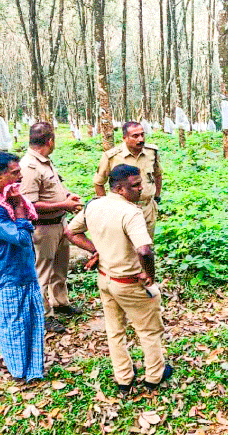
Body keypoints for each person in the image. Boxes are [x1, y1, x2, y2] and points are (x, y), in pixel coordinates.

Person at [66, 164, 173, 393]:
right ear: (120, 189)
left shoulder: (94, 204)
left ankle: (123, 378)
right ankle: (154, 376)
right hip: (130, 282)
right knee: (149, 330)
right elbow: (144, 250)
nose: (141, 189)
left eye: (141, 184)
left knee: (115, 330)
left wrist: (95, 250)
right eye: (135, 186)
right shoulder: (131, 212)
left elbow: (71, 232)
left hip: (106, 280)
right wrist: (149, 275)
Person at [0, 152, 44, 383]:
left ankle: (33, 368)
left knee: (32, 318)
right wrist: (18, 207)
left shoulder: (3, 199)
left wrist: (17, 205)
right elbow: (22, 237)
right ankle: (18, 370)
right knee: (13, 323)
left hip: (23, 268)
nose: (21, 175)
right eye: (15, 172)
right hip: (7, 274)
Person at [20, 122, 84, 333]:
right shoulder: (28, 166)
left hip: (59, 223)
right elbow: (30, 204)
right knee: (43, 273)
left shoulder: (45, 162)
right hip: (43, 228)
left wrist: (67, 196)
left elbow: (53, 188)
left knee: (60, 268)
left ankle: (60, 302)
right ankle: (45, 315)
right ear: (50, 141)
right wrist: (63, 205)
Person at [92, 122, 162, 237]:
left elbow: (158, 175)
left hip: (147, 209)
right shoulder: (112, 157)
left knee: (146, 247)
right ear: (125, 138)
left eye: (142, 135)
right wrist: (107, 207)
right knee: (126, 249)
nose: (140, 139)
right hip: (123, 211)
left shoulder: (151, 152)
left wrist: (156, 196)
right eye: (135, 136)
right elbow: (99, 183)